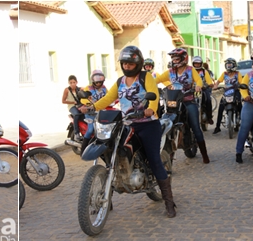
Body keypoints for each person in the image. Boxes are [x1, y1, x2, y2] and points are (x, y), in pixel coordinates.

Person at [80, 46, 177, 218]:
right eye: (124, 63)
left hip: (148, 124)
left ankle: (169, 203)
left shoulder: (145, 77)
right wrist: (91, 107)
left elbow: (152, 93)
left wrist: (151, 109)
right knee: (110, 152)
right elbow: (108, 98)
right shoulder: (120, 81)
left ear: (137, 63)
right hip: (127, 124)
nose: (127, 66)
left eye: (130, 64)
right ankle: (106, 198)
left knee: (154, 160)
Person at [156, 48, 209, 164]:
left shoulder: (191, 70)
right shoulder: (170, 72)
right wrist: (148, 85)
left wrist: (198, 86)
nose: (174, 60)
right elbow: (157, 79)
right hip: (173, 102)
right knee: (164, 124)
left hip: (188, 101)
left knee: (196, 127)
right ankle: (166, 156)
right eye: (173, 58)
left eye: (176, 58)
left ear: (183, 59)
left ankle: (205, 155)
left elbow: (199, 80)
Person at [78, 69, 108, 153]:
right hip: (90, 113)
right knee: (91, 129)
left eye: (100, 81)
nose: (98, 83)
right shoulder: (88, 88)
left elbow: (109, 97)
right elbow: (83, 100)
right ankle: (83, 150)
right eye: (97, 82)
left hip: (101, 112)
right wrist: (89, 105)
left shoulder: (104, 88)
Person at [212, 58, 241, 135]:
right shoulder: (224, 74)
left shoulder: (238, 74)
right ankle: (217, 127)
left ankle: (241, 122)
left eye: (230, 65)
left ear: (234, 65)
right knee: (221, 108)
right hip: (227, 92)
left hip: (236, 91)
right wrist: (216, 85)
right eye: (227, 65)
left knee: (240, 105)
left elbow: (242, 82)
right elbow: (219, 81)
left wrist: (241, 86)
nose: (228, 66)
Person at [61, 75, 87, 140]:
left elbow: (87, 90)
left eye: (74, 82)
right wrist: (72, 102)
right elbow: (63, 101)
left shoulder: (79, 89)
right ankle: (76, 133)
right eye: (71, 83)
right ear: (68, 83)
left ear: (76, 82)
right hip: (71, 106)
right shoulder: (67, 90)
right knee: (77, 114)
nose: (72, 84)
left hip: (79, 105)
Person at [192, 56, 215, 126]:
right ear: (193, 64)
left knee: (208, 100)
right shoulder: (190, 71)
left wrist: (210, 84)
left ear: (201, 64)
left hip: (203, 89)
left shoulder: (204, 71)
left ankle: (209, 117)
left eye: (198, 64)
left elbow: (208, 80)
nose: (197, 65)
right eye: (195, 63)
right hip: (192, 89)